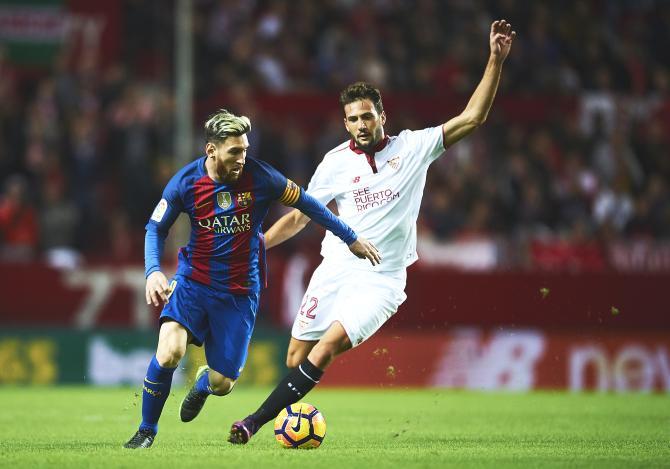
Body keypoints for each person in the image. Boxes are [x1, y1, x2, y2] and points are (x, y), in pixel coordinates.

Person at [228, 20, 515, 444]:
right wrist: (260, 244)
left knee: (323, 350)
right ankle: (292, 416)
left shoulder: (414, 148)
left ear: (383, 116)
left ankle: (251, 423)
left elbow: (472, 118)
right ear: (345, 125)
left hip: (382, 278)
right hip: (337, 267)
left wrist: (494, 59)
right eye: (353, 119)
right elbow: (301, 215)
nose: (361, 125)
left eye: (367, 116)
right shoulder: (335, 162)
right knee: (296, 355)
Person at [123, 109, 380, 449]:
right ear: (211, 151)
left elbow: (310, 205)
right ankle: (146, 431)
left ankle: (202, 385)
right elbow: (156, 227)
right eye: (234, 152)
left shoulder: (262, 178)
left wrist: (351, 238)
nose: (242, 158)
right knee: (170, 351)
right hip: (193, 282)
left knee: (222, 383)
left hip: (240, 292)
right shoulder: (185, 183)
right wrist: (154, 271)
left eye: (245, 150)